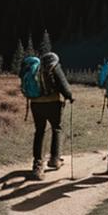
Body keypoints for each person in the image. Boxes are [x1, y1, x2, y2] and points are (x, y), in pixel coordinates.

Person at [21, 52, 73, 180]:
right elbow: (63, 85)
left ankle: (38, 165)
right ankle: (55, 159)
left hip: (35, 104)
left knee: (39, 131)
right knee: (56, 128)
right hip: (53, 104)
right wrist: (70, 97)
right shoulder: (54, 66)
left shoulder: (34, 68)